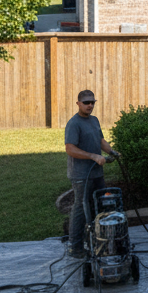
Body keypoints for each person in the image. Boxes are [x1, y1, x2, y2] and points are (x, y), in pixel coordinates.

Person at [64, 89, 116, 258]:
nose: (90, 105)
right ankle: (75, 246)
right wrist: (93, 156)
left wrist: (111, 151)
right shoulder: (74, 123)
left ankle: (97, 240)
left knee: (100, 205)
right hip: (81, 175)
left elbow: (100, 140)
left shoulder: (94, 120)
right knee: (81, 207)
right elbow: (70, 149)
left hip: (96, 173)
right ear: (78, 103)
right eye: (86, 102)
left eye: (92, 102)